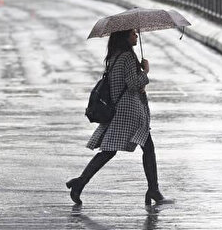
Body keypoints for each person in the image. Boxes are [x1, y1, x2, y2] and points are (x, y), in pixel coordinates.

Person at [67, 29, 173, 207]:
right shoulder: (127, 57)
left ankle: (80, 183)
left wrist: (138, 73)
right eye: (133, 34)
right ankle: (153, 190)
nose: (136, 36)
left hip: (120, 109)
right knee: (146, 148)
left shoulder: (115, 56)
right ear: (125, 37)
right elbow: (132, 85)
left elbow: (125, 82)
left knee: (111, 150)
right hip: (130, 111)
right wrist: (145, 72)